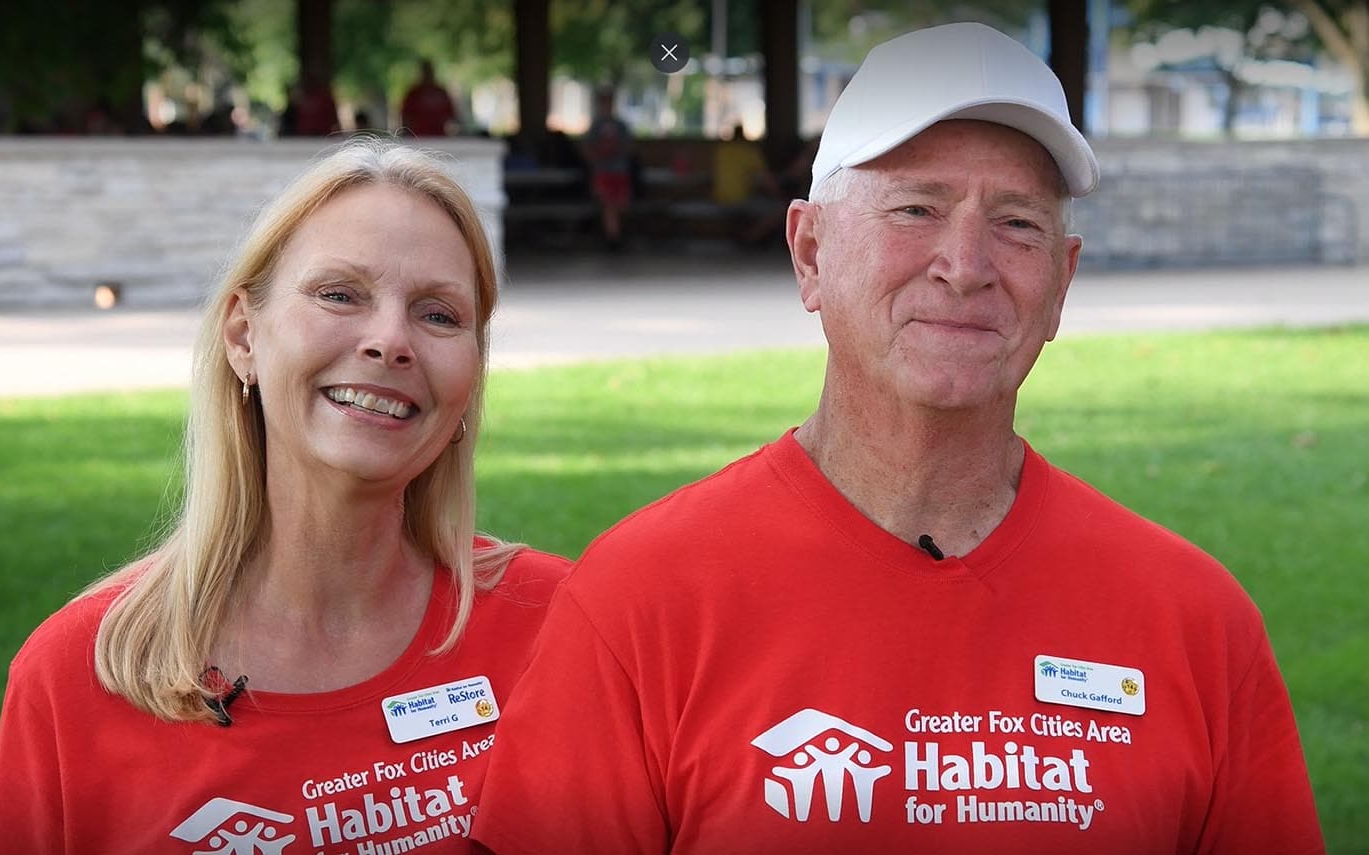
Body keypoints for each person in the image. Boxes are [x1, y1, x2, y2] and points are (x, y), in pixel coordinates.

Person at [472, 22, 1324, 855]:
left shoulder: (1195, 622)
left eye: (1018, 223)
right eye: (917, 207)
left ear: (1061, 282)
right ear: (810, 254)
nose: (966, 262)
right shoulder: (642, 599)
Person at [0, 140, 570, 854]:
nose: (390, 340)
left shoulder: (561, 626)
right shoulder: (78, 674)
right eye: (339, 294)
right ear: (242, 335)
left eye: (439, 314)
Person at [712, 122, 785, 246]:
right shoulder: (749, 151)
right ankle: (749, 239)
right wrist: (781, 195)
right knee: (782, 209)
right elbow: (768, 181)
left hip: (719, 198)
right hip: (740, 200)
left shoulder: (721, 150)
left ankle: (745, 237)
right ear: (744, 136)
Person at [583, 87, 634, 250]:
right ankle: (613, 239)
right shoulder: (595, 126)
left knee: (621, 205)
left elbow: (629, 147)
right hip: (603, 173)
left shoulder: (620, 125)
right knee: (608, 205)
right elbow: (587, 149)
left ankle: (616, 235)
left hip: (619, 172)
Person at [400, 59, 458, 138]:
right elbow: (405, 116)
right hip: (417, 138)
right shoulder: (414, 93)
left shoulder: (441, 92)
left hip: (440, 137)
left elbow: (451, 117)